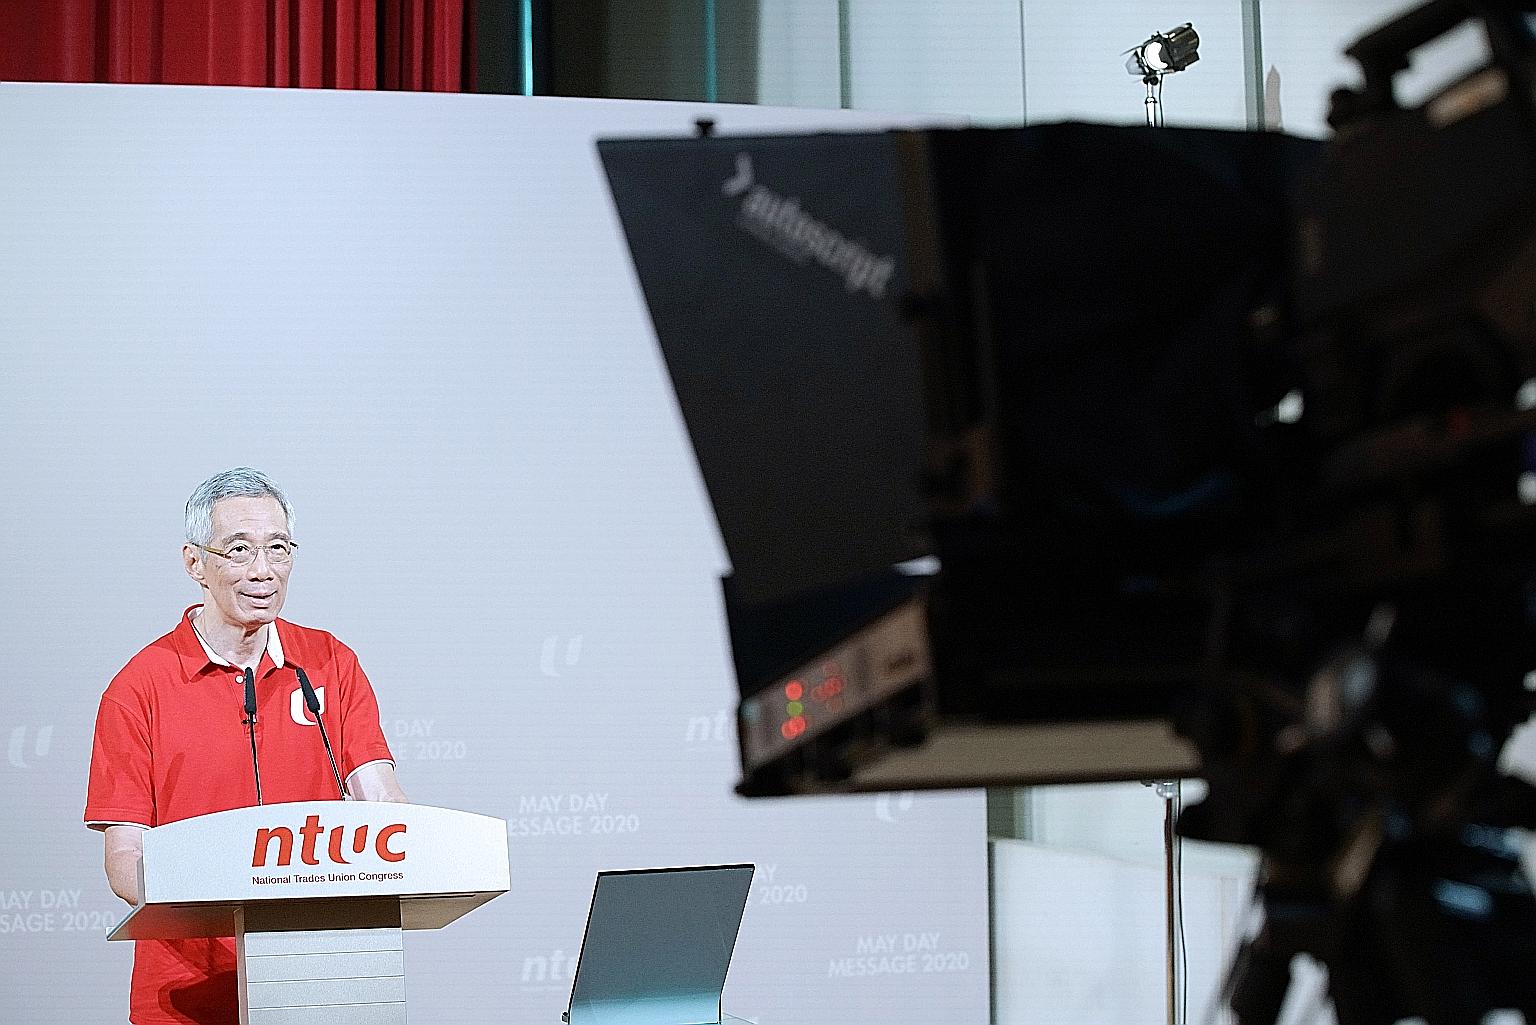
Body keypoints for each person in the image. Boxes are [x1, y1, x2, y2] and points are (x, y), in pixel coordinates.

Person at [84, 468, 406, 1025]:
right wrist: (217, 893)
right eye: (239, 550)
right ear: (194, 563)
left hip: (327, 980)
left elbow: (382, 804)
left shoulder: (331, 662)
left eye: (278, 549)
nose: (263, 572)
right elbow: (125, 860)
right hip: (188, 994)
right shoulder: (138, 687)